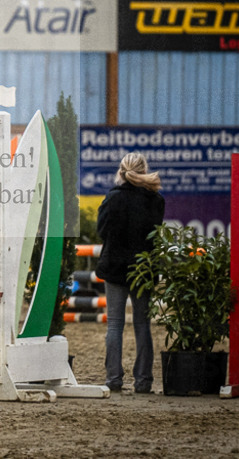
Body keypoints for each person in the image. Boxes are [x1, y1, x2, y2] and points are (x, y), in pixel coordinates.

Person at [96, 152, 164, 394]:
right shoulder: (156, 200)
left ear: (121, 171)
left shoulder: (112, 198)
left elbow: (101, 231)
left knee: (114, 325)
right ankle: (144, 381)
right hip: (143, 269)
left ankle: (113, 379)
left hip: (115, 267)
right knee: (142, 324)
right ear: (144, 170)